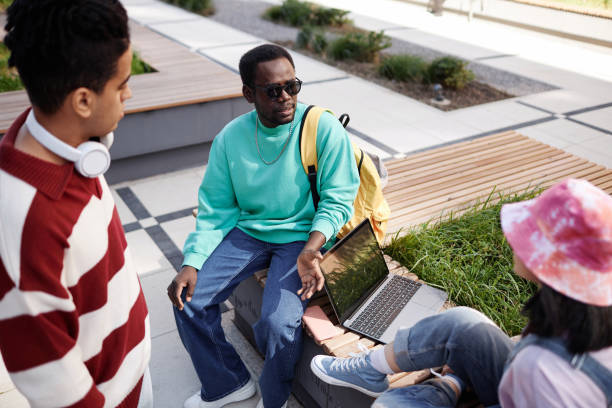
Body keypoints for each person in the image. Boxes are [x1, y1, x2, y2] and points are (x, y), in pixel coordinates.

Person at [167, 43, 360, 408]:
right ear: (248, 94)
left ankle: (274, 399)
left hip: (302, 239)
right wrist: (191, 263)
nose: (286, 97)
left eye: (293, 86)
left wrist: (310, 248)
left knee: (276, 323)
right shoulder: (230, 138)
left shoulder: (322, 128)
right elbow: (215, 209)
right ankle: (227, 384)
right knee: (186, 300)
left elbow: (338, 200)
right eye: (273, 91)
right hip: (249, 232)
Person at [311, 178, 612, 407]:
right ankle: (372, 368)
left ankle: (446, 386)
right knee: (464, 324)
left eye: (528, 232)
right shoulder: (583, 312)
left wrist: (446, 393)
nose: (512, 235)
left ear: (546, 262)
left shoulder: (542, 372)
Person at [0, 1, 151, 407]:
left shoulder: (75, 144)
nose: (129, 93)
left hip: (131, 370)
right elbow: (53, 383)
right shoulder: (25, 227)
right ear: (82, 102)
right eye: (120, 85)